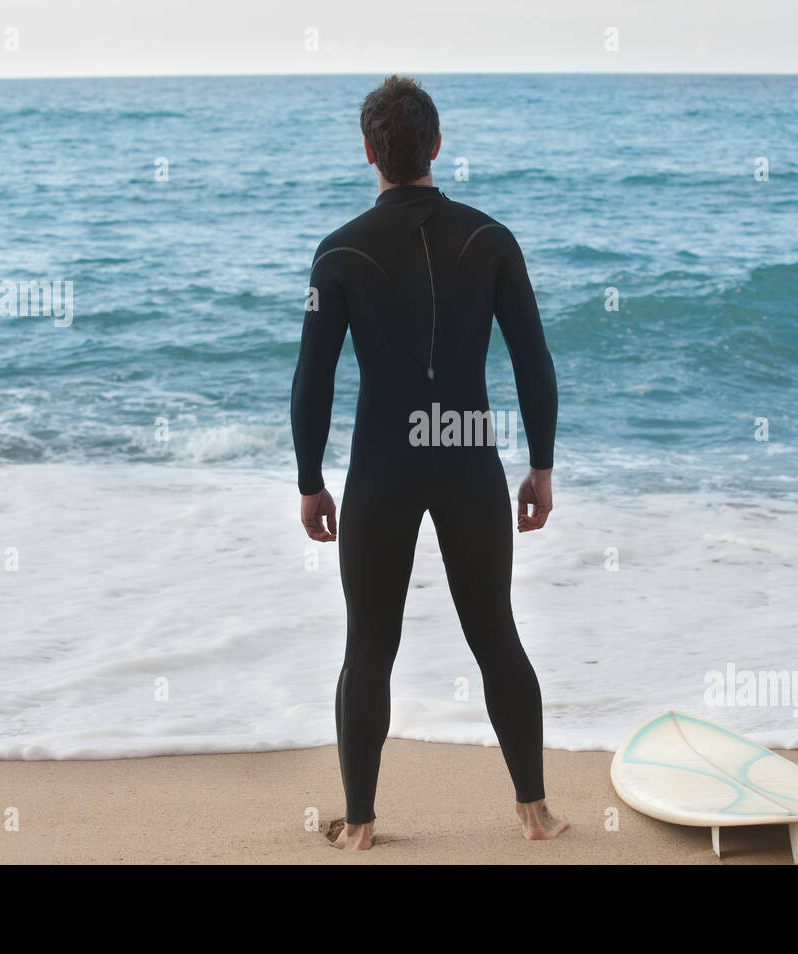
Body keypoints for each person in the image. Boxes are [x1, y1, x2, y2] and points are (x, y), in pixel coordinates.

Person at [290, 75, 568, 850]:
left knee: (368, 644)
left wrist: (310, 480)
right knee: (497, 634)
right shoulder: (491, 240)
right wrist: (541, 466)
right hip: (466, 456)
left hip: (382, 464)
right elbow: (533, 362)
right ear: (437, 147)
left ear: (369, 152)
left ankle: (363, 825)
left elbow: (312, 381)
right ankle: (534, 812)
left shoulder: (339, 251)